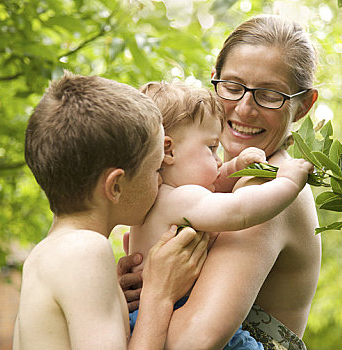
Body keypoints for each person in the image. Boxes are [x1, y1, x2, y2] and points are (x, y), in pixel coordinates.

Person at [119, 14, 321, 350]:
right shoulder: (206, 181)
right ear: (215, 81)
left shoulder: (267, 186)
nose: (245, 108)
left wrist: (156, 292)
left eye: (270, 95)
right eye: (233, 87)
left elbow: (193, 341)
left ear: (302, 106)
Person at [12, 72, 209, 350]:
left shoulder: (49, 254)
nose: (161, 180)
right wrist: (160, 294)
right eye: (155, 169)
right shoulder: (85, 250)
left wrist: (112, 295)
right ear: (115, 186)